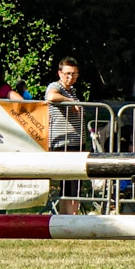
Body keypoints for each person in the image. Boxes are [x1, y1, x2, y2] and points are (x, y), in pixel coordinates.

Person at [44, 56, 86, 213]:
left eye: (74, 74)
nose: (71, 77)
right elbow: (51, 96)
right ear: (60, 73)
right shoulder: (56, 86)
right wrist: (70, 101)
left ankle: (71, 216)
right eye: (67, 73)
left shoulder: (73, 90)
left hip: (77, 142)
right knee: (68, 184)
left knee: (75, 184)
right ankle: (67, 217)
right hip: (63, 143)